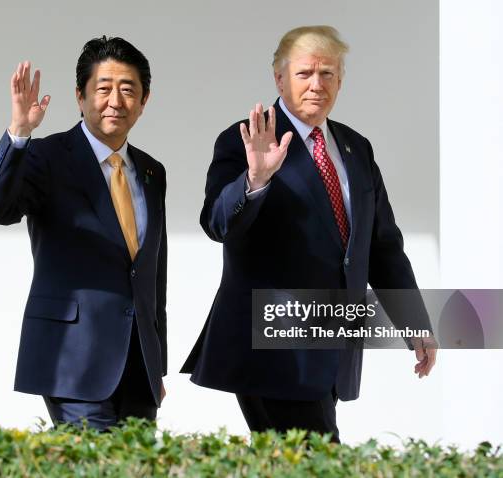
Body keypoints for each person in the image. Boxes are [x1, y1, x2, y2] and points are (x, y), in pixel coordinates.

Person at [181, 26, 436, 442]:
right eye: (304, 74)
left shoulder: (356, 147)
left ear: (341, 79)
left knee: (293, 463)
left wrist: (414, 322)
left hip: (332, 344)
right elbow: (217, 223)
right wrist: (255, 178)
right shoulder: (246, 138)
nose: (317, 85)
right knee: (320, 460)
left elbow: (381, 246)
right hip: (271, 349)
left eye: (328, 74)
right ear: (279, 78)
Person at [0, 36, 167, 430]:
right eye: (103, 88)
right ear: (80, 97)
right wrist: (18, 135)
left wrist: (157, 365)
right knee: (95, 464)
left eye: (128, 90)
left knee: (137, 469)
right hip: (72, 357)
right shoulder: (46, 157)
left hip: (138, 366)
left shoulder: (152, 171)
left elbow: (152, 275)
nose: (116, 100)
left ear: (144, 101)